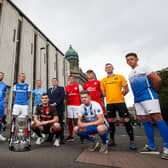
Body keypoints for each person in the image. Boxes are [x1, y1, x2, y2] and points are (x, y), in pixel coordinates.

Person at [126, 52, 168, 159]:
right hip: (138, 99)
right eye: (128, 60)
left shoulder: (144, 67)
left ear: (137, 59)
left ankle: (167, 147)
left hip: (148, 96)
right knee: (145, 120)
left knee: (157, 117)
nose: (130, 61)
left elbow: (157, 79)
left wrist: (154, 91)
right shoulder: (130, 74)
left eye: (132, 59)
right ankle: (151, 146)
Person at [100, 63, 136, 150]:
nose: (108, 68)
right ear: (105, 70)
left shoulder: (120, 77)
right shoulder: (103, 80)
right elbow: (103, 93)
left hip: (120, 102)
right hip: (109, 103)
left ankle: (132, 141)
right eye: (106, 68)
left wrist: (120, 95)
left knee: (126, 120)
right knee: (111, 121)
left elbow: (126, 89)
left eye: (110, 67)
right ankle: (112, 140)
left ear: (113, 68)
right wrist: (109, 96)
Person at [65, 75, 83, 141]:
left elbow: (82, 95)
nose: (71, 80)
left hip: (77, 105)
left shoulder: (78, 86)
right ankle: (70, 135)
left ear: (74, 79)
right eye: (69, 79)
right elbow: (65, 96)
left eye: (72, 78)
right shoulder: (66, 87)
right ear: (68, 80)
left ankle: (81, 134)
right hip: (69, 105)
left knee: (77, 120)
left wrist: (82, 104)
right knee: (70, 120)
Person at [48, 78, 65, 144]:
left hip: (59, 108)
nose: (54, 82)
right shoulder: (49, 90)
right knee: (51, 123)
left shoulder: (61, 88)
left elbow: (62, 97)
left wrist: (55, 103)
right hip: (51, 109)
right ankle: (50, 137)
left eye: (55, 81)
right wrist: (49, 105)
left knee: (60, 123)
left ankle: (61, 138)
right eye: (53, 81)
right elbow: (48, 98)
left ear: (57, 82)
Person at [0, 72, 7, 141]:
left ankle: (0, 134)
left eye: (2, 75)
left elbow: (5, 95)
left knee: (0, 119)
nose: (1, 76)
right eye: (0, 75)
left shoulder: (4, 85)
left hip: (1, 104)